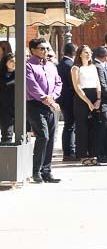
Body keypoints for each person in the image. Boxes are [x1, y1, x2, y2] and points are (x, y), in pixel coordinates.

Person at [24, 37, 62, 183]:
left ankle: (47, 171)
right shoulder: (28, 65)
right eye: (42, 48)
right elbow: (31, 85)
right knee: (43, 136)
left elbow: (58, 82)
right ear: (33, 50)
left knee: (51, 138)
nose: (45, 51)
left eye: (47, 48)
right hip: (36, 105)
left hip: (51, 105)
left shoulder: (51, 66)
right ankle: (36, 171)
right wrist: (45, 98)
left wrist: (52, 97)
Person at [69, 44, 104, 166]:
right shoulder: (75, 68)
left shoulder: (93, 67)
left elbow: (98, 83)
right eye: (86, 52)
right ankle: (83, 155)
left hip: (95, 96)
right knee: (82, 128)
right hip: (81, 99)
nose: (89, 55)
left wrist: (98, 99)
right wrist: (88, 102)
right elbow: (77, 87)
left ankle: (94, 154)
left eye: (90, 52)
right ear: (80, 54)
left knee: (95, 127)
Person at [56, 42, 76, 161]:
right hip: (70, 98)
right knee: (70, 125)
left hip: (62, 99)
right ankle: (69, 152)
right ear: (73, 52)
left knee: (68, 125)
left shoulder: (59, 64)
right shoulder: (71, 65)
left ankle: (67, 151)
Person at [0, 50, 15, 143]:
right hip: (4, 108)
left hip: (17, 108)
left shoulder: (20, 75)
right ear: (6, 63)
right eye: (11, 61)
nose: (14, 64)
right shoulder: (1, 75)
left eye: (15, 61)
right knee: (7, 135)